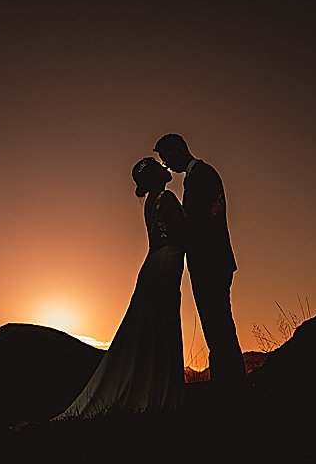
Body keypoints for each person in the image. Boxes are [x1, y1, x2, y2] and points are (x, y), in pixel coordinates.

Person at [56, 158, 186, 418]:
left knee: (152, 328)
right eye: (159, 167)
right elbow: (180, 232)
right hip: (166, 263)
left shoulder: (151, 201)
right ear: (155, 176)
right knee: (163, 325)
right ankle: (161, 396)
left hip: (154, 263)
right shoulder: (167, 198)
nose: (165, 167)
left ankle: (154, 391)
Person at [153, 133, 246, 396]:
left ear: (180, 149)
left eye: (168, 157)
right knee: (216, 326)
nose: (168, 166)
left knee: (219, 326)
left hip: (211, 262)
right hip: (207, 261)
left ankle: (231, 387)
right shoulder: (196, 177)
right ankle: (229, 384)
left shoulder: (203, 174)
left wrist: (181, 229)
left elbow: (200, 223)